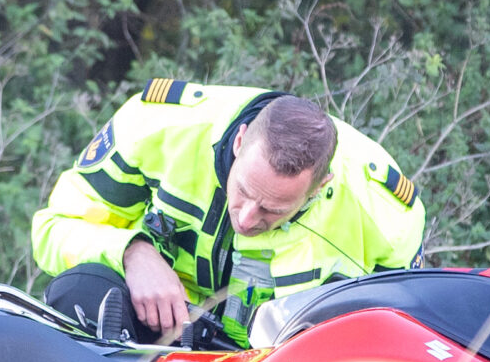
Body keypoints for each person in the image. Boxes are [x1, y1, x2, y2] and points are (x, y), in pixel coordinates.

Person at [31, 80, 426, 346]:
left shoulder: (384, 211)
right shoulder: (157, 127)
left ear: (319, 187)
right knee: (80, 290)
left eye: (274, 210)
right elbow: (50, 231)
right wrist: (133, 252)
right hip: (148, 343)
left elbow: (404, 333)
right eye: (243, 192)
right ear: (239, 141)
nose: (248, 218)